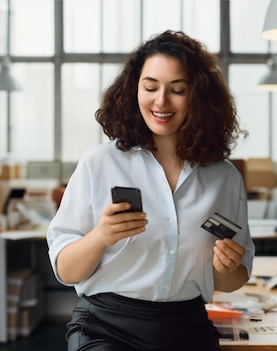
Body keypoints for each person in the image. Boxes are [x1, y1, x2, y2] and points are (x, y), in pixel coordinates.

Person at [47, 30, 255, 351]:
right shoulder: (99, 163)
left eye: (178, 90)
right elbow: (66, 270)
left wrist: (225, 268)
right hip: (107, 327)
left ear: (198, 98)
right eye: (150, 87)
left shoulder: (224, 177)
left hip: (188, 327)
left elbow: (233, 280)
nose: (161, 101)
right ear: (134, 91)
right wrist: (101, 236)